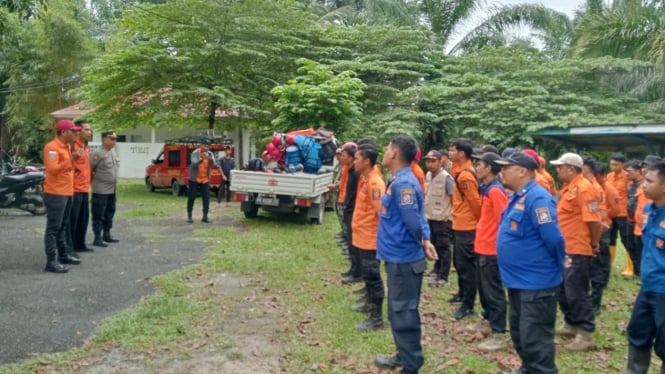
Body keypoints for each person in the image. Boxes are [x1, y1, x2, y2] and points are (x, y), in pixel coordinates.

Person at [495, 151, 564, 374]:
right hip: (517, 281)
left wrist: (559, 263)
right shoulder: (518, 196)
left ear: (522, 171)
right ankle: (528, 368)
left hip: (536, 282)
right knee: (519, 332)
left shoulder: (538, 198)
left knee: (536, 337)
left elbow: (553, 237)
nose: (502, 172)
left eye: (506, 168)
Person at [373, 135, 437, 374]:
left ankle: (411, 365)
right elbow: (419, 217)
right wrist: (426, 238)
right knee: (397, 311)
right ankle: (403, 354)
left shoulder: (404, 185)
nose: (385, 151)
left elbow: (413, 221)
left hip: (404, 259)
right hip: (396, 257)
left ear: (395, 154)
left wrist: (423, 240)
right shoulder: (399, 180)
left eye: (388, 148)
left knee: (403, 311)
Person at [551, 152, 602, 352]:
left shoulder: (584, 189)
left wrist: (594, 243)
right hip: (565, 248)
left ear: (571, 169)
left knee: (577, 291)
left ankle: (585, 333)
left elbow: (594, 220)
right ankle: (570, 323)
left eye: (560, 166)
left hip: (578, 248)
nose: (557, 170)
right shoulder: (568, 188)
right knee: (564, 289)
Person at [623, 161, 665, 374]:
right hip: (647, 287)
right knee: (638, 334)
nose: (643, 186)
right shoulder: (648, 209)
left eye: (649, 181)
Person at [470, 152, 509, 352]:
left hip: (491, 249)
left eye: (481, 165)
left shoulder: (495, 191)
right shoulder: (486, 188)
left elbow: (503, 221)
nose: (477, 168)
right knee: (484, 289)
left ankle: (499, 331)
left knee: (493, 291)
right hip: (482, 246)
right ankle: (487, 319)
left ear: (490, 169)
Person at [350, 142, 386, 331]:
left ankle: (376, 318)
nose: (354, 161)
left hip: (370, 238)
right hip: (362, 237)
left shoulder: (374, 183)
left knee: (373, 276)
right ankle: (369, 302)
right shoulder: (366, 178)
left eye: (356, 158)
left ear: (366, 161)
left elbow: (381, 212)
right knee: (367, 275)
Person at [42, 120, 83, 273]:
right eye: (73, 131)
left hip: (66, 192)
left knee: (63, 226)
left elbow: (68, 169)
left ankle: (63, 255)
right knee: (53, 228)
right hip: (55, 193)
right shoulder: (52, 147)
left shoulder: (66, 146)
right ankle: (51, 261)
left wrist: (73, 160)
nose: (75, 133)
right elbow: (53, 170)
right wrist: (71, 159)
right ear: (63, 132)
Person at [449, 138, 482, 320]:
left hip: (467, 227)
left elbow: (475, 203)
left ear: (462, 153)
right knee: (459, 263)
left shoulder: (466, 176)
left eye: (453, 150)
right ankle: (462, 293)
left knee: (466, 266)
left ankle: (468, 304)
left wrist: (477, 223)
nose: (450, 153)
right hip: (460, 224)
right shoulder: (460, 172)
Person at [423, 150, 454, 287]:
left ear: (440, 161)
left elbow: (453, 198)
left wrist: (451, 216)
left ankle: (443, 276)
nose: (430, 164)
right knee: (434, 244)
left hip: (443, 219)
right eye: (428, 161)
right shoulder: (428, 175)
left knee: (444, 248)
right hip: (430, 217)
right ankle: (436, 269)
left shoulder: (447, 178)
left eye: (433, 161)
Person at [591, 162, 618, 315]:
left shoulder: (605, 189)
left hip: (603, 226)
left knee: (602, 258)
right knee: (601, 258)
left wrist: (604, 217)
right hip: (597, 226)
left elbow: (614, 209)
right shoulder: (594, 188)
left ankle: (602, 283)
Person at [91, 131, 120, 247]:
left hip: (111, 190)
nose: (114, 141)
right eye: (111, 139)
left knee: (110, 212)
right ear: (104, 140)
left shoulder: (112, 152)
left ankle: (107, 234)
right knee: (99, 214)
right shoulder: (97, 153)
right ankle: (97, 237)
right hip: (100, 190)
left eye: (115, 139)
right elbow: (89, 169)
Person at [69, 120, 93, 253]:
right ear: (78, 131)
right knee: (73, 218)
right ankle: (70, 246)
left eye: (90, 130)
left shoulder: (85, 146)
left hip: (84, 187)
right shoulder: (72, 145)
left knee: (83, 218)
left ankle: (80, 243)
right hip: (74, 188)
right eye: (86, 129)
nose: (89, 132)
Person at [340, 143, 362, 284]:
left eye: (343, 155)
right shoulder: (349, 169)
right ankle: (353, 268)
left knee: (355, 243)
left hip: (354, 210)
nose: (341, 158)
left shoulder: (356, 172)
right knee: (350, 241)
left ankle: (357, 272)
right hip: (348, 208)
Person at [187, 139, 217, 223]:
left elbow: (214, 164)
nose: (206, 148)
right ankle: (189, 216)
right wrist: (201, 159)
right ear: (201, 145)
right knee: (192, 196)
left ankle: (205, 217)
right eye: (205, 146)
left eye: (208, 146)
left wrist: (211, 160)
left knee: (206, 197)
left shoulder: (210, 153)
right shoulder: (195, 153)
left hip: (205, 179)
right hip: (194, 178)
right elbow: (193, 163)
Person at [607, 153, 629, 266]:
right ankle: (610, 263)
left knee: (626, 238)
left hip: (623, 213)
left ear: (622, 164)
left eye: (616, 164)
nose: (614, 167)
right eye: (612, 164)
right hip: (611, 213)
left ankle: (632, 266)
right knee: (611, 238)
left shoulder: (627, 176)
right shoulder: (609, 176)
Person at [626, 159, 645, 277]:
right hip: (629, 219)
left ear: (638, 171)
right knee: (629, 245)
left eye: (630, 171)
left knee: (640, 247)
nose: (627, 174)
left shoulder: (645, 185)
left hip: (640, 222)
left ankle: (640, 272)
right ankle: (636, 270)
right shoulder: (629, 184)